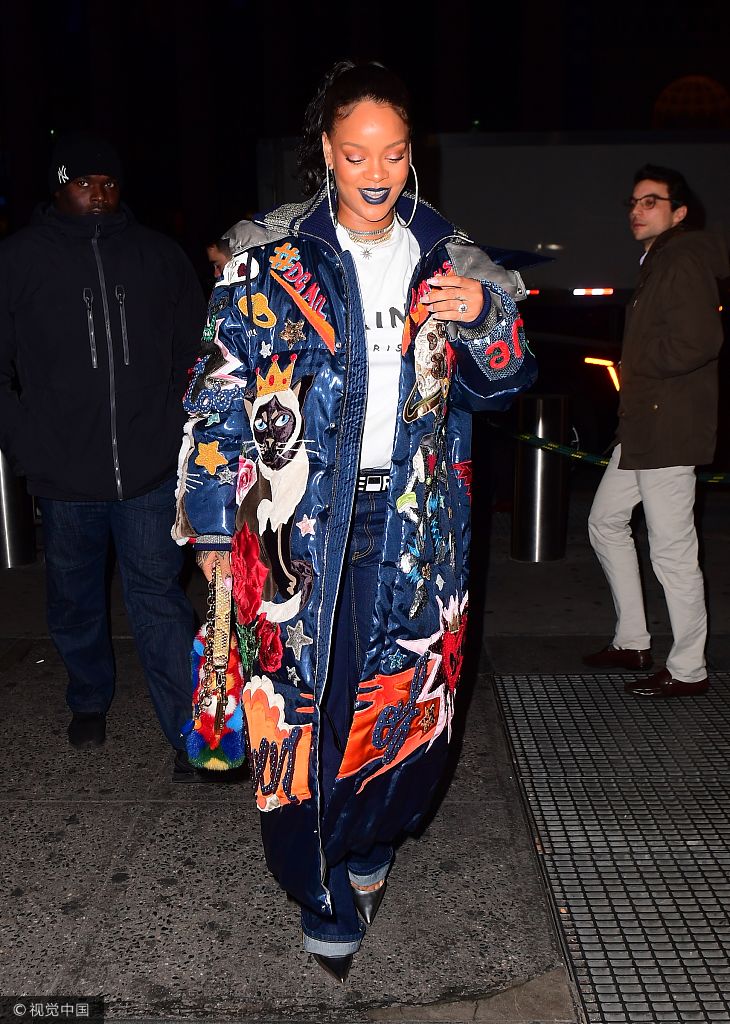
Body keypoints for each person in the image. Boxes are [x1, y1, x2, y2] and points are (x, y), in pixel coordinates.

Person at [174, 60, 534, 979]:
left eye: (394, 152)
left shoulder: (451, 260)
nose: (377, 172)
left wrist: (485, 320)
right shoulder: (268, 262)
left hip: (417, 534)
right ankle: (321, 885)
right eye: (356, 153)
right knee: (303, 713)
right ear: (326, 155)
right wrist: (212, 528)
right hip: (296, 533)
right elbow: (216, 398)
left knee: (404, 705)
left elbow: (505, 386)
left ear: (414, 155)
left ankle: (370, 836)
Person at [0, 132, 206, 776]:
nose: (99, 193)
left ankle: (188, 734)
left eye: (109, 183)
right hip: (64, 472)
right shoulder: (19, 259)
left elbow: (196, 355)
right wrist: (25, 443)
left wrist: (184, 430)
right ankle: (89, 696)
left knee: (159, 598)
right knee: (74, 597)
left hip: (150, 468)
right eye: (84, 182)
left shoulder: (157, 256)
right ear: (59, 187)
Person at [584, 164, 728, 697]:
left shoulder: (682, 257)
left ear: (679, 212)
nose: (637, 211)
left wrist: (638, 367)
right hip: (645, 426)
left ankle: (689, 669)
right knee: (605, 522)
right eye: (634, 202)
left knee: (672, 551)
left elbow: (699, 341)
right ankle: (632, 642)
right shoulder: (661, 260)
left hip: (667, 426)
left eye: (651, 202)